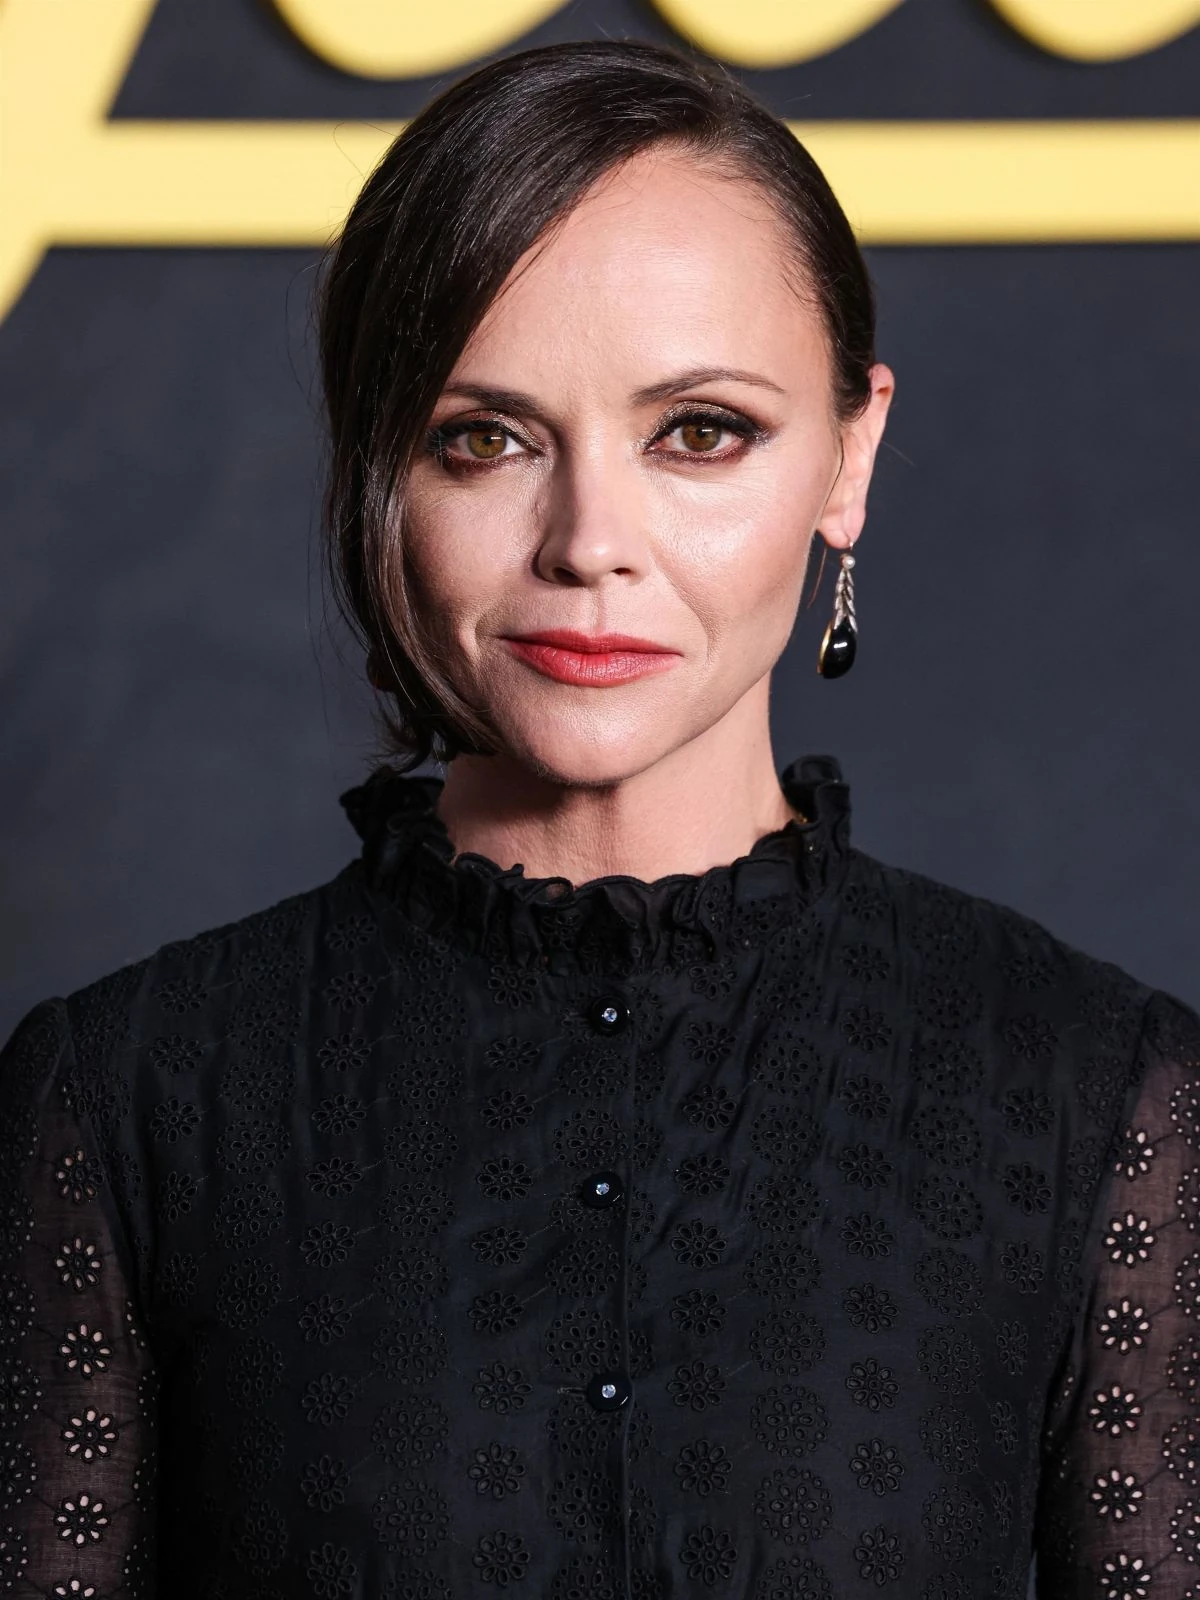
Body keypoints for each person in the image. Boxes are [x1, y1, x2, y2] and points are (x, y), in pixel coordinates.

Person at [0, 34, 1196, 1600]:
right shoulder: (129, 1099)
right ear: (377, 468)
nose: (589, 543)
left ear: (849, 455)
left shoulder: (1096, 1094)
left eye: (699, 431)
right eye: (484, 439)